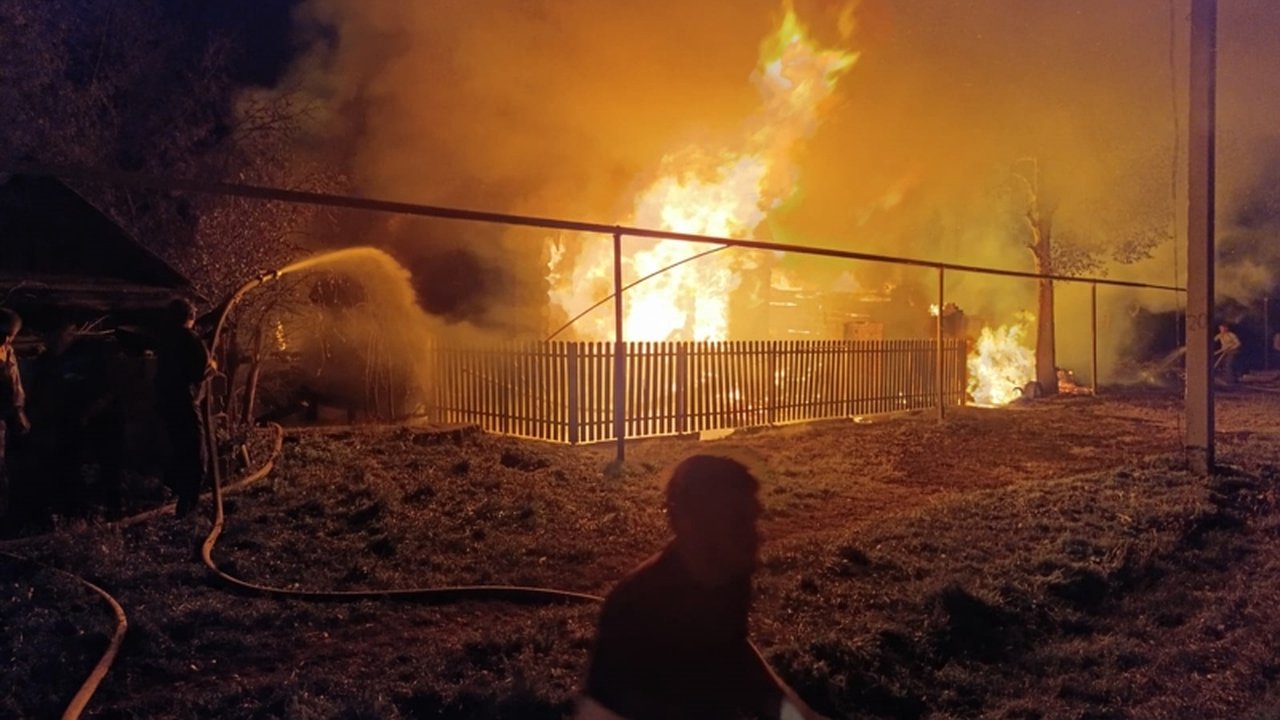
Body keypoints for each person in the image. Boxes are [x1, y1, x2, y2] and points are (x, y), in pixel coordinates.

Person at [577, 454, 828, 720]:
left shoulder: (730, 578)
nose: (756, 535)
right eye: (737, 522)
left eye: (752, 520)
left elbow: (737, 656)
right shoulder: (635, 610)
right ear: (689, 524)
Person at [153, 298, 211, 517]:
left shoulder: (166, 338)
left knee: (180, 453)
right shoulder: (189, 338)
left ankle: (181, 503)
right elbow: (201, 370)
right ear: (191, 316)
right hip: (185, 404)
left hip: (168, 405)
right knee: (197, 459)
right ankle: (187, 510)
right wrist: (211, 367)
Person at [0, 308, 31, 504]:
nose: (8, 340)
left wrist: (18, 410)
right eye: (5, 335)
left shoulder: (7, 351)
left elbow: (14, 384)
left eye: (11, 336)